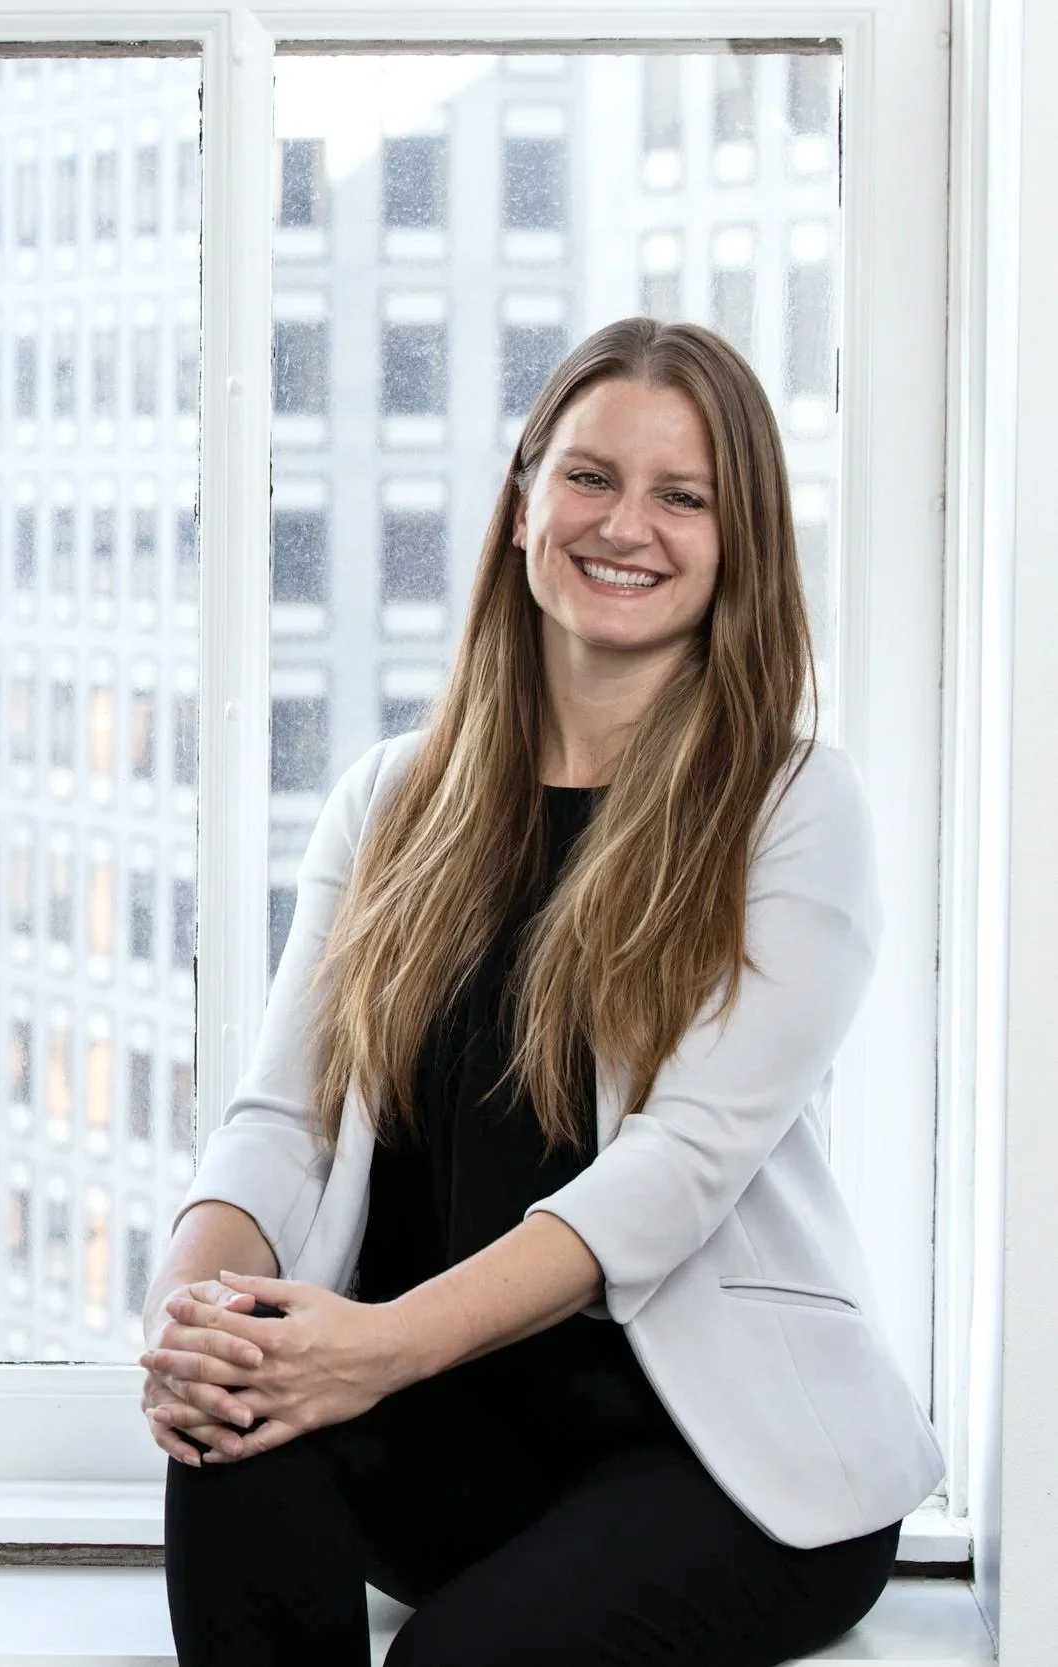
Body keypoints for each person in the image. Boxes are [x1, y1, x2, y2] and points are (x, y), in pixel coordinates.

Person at [142, 318, 941, 1666]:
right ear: (523, 503)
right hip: (457, 1431)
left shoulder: (796, 808)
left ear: (737, 543)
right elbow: (284, 1118)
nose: (627, 523)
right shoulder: (392, 796)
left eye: (683, 495)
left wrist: (377, 1348)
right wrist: (191, 1320)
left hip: (719, 1460)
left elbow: (674, 1169)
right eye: (588, 476)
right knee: (229, 1427)